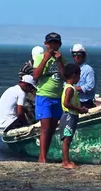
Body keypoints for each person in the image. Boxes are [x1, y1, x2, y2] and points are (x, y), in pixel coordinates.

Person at [33, 32, 67, 163]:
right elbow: (35, 76)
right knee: (45, 128)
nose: (53, 45)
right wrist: (45, 59)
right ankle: (43, 158)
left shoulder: (62, 59)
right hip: (44, 95)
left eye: (56, 43)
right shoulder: (39, 57)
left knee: (52, 129)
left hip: (57, 97)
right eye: (51, 43)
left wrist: (59, 61)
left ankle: (42, 156)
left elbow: (65, 76)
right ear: (46, 44)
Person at [60, 64, 88, 169]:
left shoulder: (69, 87)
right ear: (74, 75)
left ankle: (66, 160)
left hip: (71, 115)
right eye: (79, 75)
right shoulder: (70, 89)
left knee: (68, 139)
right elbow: (66, 103)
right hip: (69, 116)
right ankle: (65, 161)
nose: (79, 77)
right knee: (67, 139)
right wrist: (79, 110)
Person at [17, 46, 44, 125]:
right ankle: (32, 122)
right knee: (29, 107)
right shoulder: (26, 67)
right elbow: (22, 79)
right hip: (30, 90)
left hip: (39, 89)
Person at [70, 44, 96, 108]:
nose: (76, 57)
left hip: (85, 103)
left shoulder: (88, 70)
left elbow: (90, 86)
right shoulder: (71, 68)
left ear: (84, 55)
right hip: (74, 101)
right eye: (74, 54)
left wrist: (73, 88)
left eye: (79, 54)